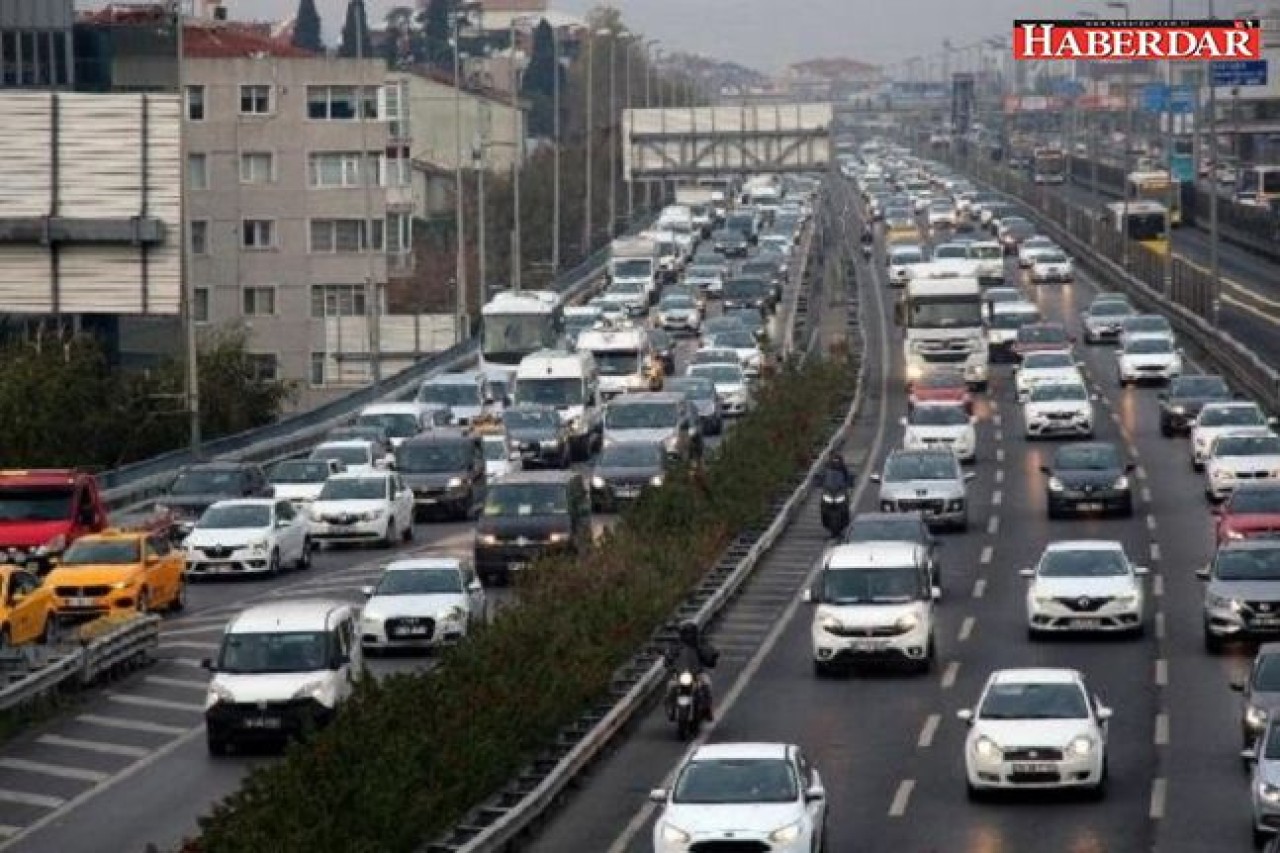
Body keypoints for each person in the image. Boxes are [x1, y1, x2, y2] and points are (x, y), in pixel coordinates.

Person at [664, 620, 719, 722]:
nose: (688, 636)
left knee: (707, 684)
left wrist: (712, 656)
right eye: (686, 633)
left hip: (697, 673)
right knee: (671, 686)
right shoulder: (677, 646)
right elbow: (669, 656)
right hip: (680, 673)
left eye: (690, 633)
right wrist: (668, 660)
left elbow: (709, 653)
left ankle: (708, 709)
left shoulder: (700, 645)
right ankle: (670, 708)